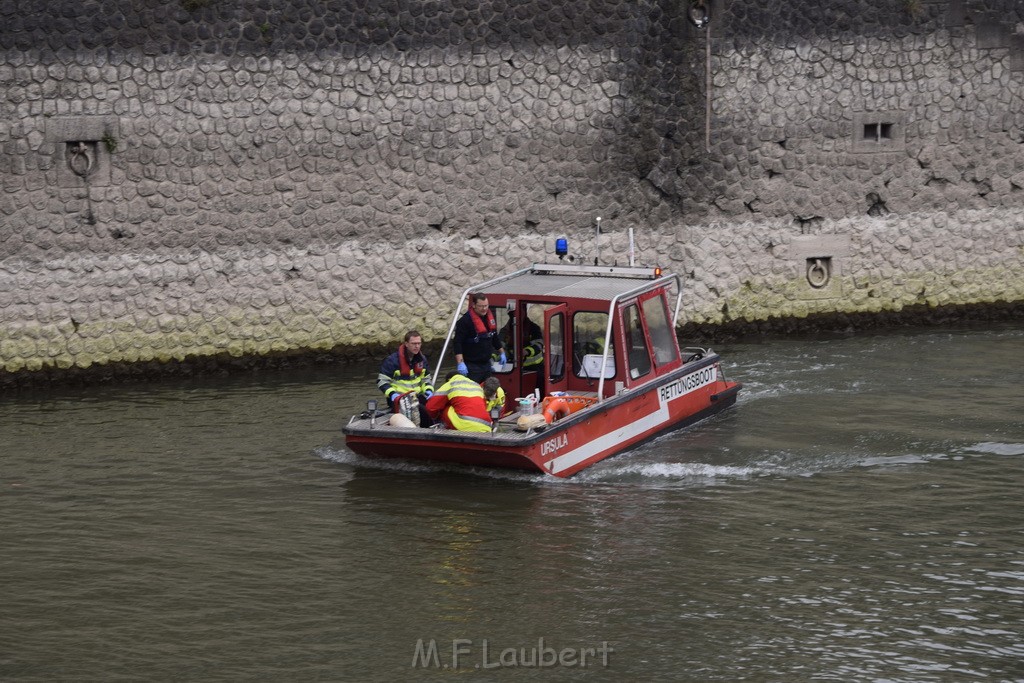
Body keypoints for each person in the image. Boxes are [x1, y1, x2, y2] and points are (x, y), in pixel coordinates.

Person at [377, 330, 435, 426]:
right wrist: (393, 394)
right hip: (399, 398)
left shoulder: (422, 359)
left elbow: (426, 379)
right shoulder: (392, 361)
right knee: (423, 411)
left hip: (417, 396)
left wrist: (429, 390)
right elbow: (382, 382)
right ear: (406, 344)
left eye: (419, 343)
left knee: (434, 407)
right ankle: (427, 432)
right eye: (413, 343)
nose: (417, 346)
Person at [453, 292, 506, 383]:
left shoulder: (489, 318)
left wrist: (502, 353)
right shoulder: (465, 321)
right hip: (472, 365)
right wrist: (460, 362)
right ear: (473, 305)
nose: (484, 309)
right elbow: (457, 342)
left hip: (486, 364)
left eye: (486, 306)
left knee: (488, 391)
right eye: (481, 306)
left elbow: (494, 336)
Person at [426, 371, 504, 432]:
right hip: (486, 427)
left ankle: (445, 427)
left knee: (444, 406)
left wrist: (435, 418)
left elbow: (430, 407)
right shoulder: (476, 386)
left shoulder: (451, 383)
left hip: (465, 426)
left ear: (448, 380)